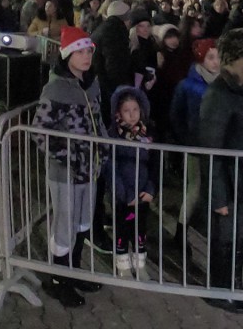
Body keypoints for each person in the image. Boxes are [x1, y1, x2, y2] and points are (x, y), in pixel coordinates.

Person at [31, 26, 108, 308]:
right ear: (67, 55)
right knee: (65, 225)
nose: (86, 56)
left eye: (89, 51)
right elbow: (40, 131)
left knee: (82, 222)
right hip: (65, 173)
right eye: (80, 52)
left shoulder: (91, 84)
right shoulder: (56, 89)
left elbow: (98, 121)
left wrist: (104, 149)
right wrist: (68, 157)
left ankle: (73, 272)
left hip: (91, 168)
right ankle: (58, 280)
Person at [197, 30, 243, 314]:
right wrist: (218, 197)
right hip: (229, 178)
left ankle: (234, 286)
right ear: (237, 57)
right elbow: (210, 148)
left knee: (241, 236)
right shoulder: (219, 94)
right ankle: (219, 290)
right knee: (226, 239)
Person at [168, 37, 219, 252]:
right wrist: (186, 140)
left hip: (218, 146)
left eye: (218, 57)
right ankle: (181, 233)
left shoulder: (223, 83)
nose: (216, 62)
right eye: (211, 57)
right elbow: (175, 115)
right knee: (195, 189)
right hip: (196, 145)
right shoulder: (188, 85)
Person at [109, 85, 156, 278]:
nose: (132, 114)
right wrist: (124, 194)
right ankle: (122, 263)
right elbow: (111, 167)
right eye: (126, 110)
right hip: (124, 195)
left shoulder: (147, 134)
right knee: (122, 228)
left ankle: (140, 264)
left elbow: (154, 163)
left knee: (140, 229)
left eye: (135, 109)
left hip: (143, 193)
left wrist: (151, 189)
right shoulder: (113, 135)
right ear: (118, 113)